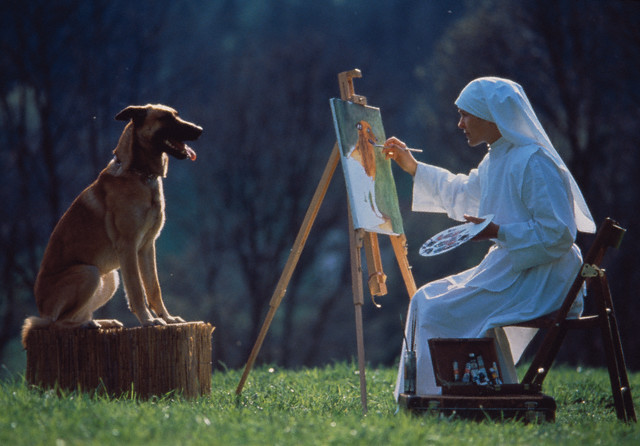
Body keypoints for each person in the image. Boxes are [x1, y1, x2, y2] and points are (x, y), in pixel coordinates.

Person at [383, 77, 595, 398]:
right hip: (515, 269)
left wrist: (499, 233)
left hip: (545, 277)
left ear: (491, 114)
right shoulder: (496, 157)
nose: (460, 123)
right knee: (424, 299)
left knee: (437, 309)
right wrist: (414, 168)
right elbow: (463, 193)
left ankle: (444, 401)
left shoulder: (535, 161)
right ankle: (429, 399)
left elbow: (559, 234)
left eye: (466, 115)